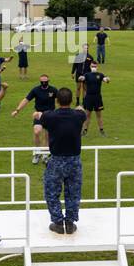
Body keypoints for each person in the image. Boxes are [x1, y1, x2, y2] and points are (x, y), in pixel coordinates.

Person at [34, 87, 88, 234]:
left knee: (51, 191)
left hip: (56, 160)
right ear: (70, 100)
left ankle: (58, 222)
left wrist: (37, 113)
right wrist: (80, 106)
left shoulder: (50, 116)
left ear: (56, 101)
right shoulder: (79, 116)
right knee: (73, 192)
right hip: (74, 161)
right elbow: (82, 111)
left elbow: (39, 115)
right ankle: (70, 223)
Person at [12, 74, 59, 163]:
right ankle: (37, 153)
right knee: (37, 131)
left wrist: (59, 113)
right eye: (42, 81)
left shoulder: (53, 90)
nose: (44, 83)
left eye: (46, 81)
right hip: (38, 114)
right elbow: (26, 100)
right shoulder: (36, 90)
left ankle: (45, 154)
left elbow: (60, 100)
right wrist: (17, 110)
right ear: (40, 81)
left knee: (47, 135)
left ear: (48, 81)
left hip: (50, 115)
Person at [78, 62, 110, 136]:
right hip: (89, 97)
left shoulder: (100, 75)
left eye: (95, 66)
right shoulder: (87, 75)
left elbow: (106, 80)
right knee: (87, 115)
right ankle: (85, 130)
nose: (94, 67)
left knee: (99, 115)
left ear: (97, 67)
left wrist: (107, 79)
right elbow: (81, 78)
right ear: (90, 67)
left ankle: (101, 130)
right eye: (92, 66)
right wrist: (80, 78)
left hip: (97, 97)